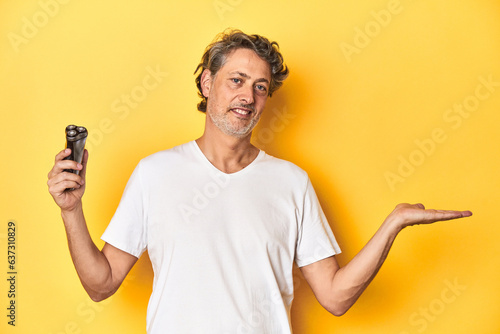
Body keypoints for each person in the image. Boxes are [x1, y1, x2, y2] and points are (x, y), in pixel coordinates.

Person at [47, 29, 472, 333]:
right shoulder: (154, 174)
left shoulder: (292, 183)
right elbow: (101, 285)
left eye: (261, 87)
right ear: (206, 82)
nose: (248, 97)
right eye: (236, 81)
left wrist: (393, 223)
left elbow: (336, 298)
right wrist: (71, 210)